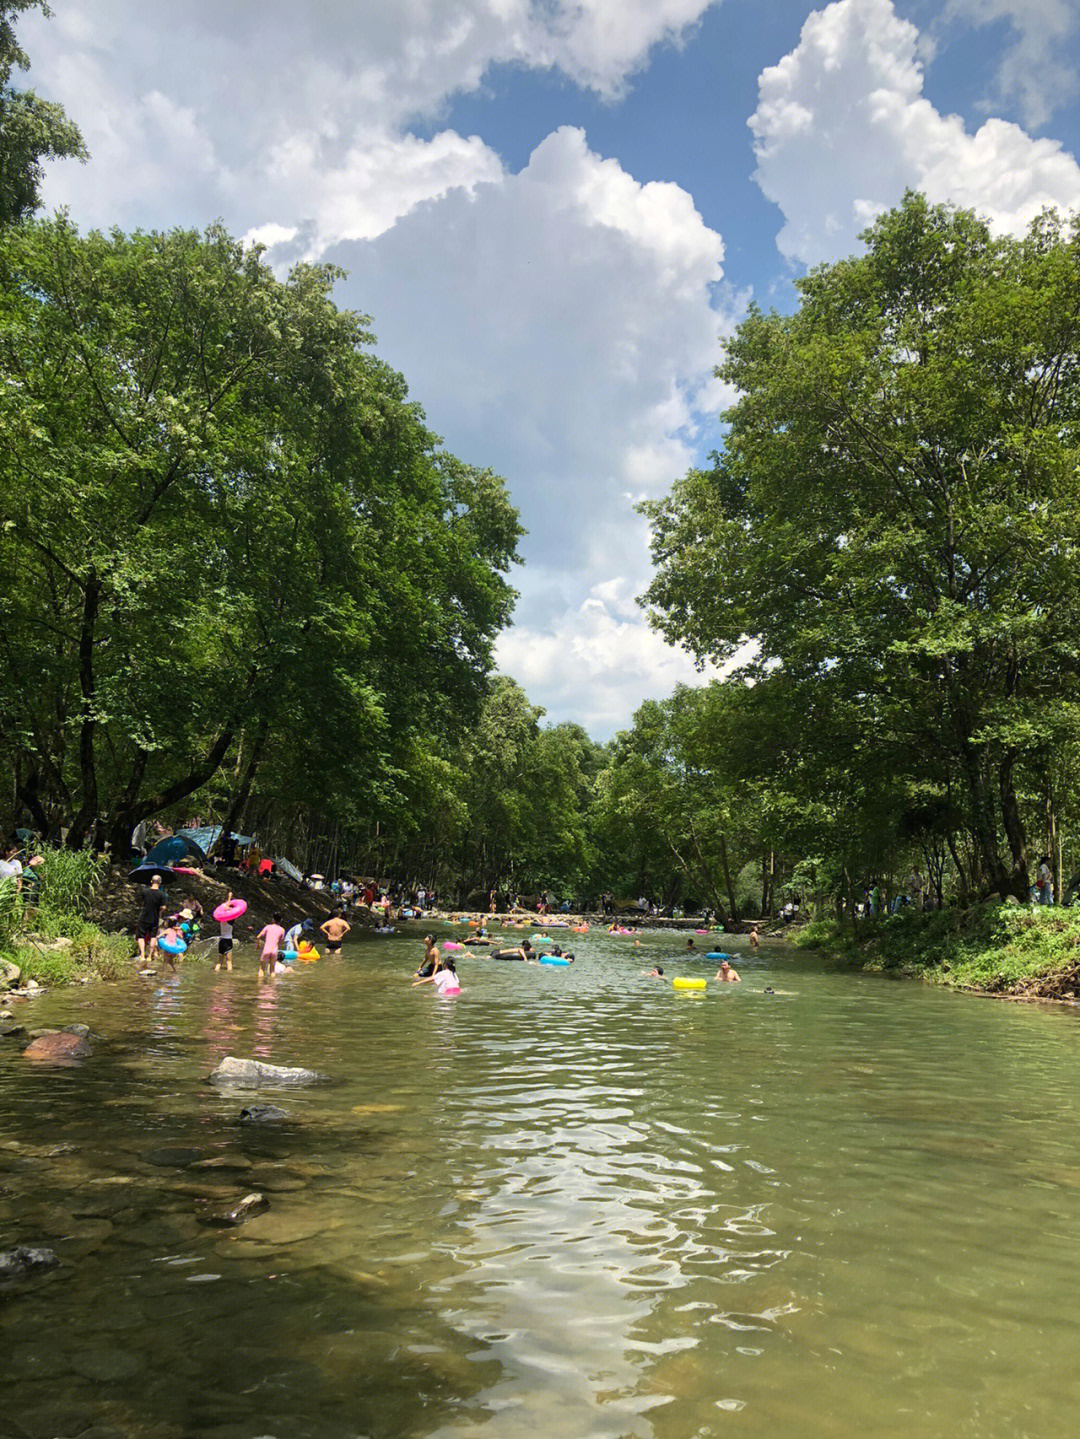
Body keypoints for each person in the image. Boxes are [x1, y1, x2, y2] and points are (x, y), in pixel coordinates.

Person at [135, 873, 168, 964]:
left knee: (141, 936)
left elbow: (141, 901)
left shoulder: (145, 892)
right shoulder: (162, 895)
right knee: (153, 936)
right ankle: (149, 956)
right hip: (155, 918)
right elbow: (164, 907)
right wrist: (160, 910)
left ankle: (142, 955)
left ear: (151, 881)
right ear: (160, 882)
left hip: (144, 917)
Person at [215, 891, 237, 972]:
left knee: (219, 962)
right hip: (228, 941)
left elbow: (226, 909)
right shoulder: (230, 921)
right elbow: (231, 912)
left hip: (221, 940)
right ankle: (228, 979)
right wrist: (230, 897)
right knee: (229, 962)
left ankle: (216, 973)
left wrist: (229, 898)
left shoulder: (221, 920)